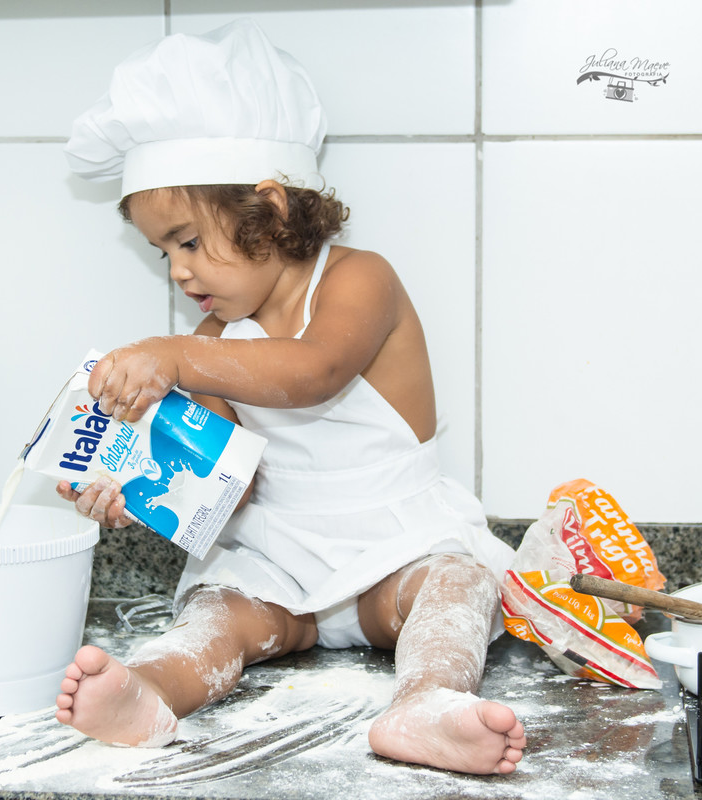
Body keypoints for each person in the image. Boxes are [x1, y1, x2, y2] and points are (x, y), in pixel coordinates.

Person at [53, 19, 525, 775]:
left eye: (187, 241)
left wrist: (173, 355)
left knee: (458, 585)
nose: (177, 272)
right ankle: (150, 692)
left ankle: (427, 701)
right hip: (278, 570)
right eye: (162, 252)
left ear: (269, 209)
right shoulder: (214, 335)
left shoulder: (359, 279)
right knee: (213, 615)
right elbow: (222, 482)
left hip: (393, 552)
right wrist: (134, 482)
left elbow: (313, 372)